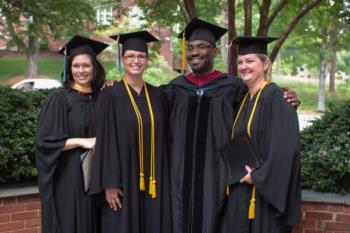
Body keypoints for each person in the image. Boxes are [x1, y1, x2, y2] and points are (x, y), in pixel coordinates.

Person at [164, 18, 300, 233]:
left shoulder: (234, 88)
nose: (194, 52)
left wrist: (290, 96)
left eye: (202, 47)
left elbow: (265, 105)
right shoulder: (174, 89)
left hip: (217, 178)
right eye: (190, 47)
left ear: (215, 52)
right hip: (180, 177)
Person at [90, 31, 172, 233]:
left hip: (156, 178)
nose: (136, 61)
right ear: (123, 59)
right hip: (123, 181)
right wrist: (109, 183)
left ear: (147, 60)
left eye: (141, 56)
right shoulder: (109, 95)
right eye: (130, 56)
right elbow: (105, 140)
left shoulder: (158, 95)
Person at [221, 37, 301, 233]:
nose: (243, 67)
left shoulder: (279, 99)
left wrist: (257, 177)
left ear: (265, 64)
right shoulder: (243, 101)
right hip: (240, 193)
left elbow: (286, 152)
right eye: (240, 62)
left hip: (264, 199)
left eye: (250, 61)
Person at [35, 35, 108, 233]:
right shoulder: (59, 99)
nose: (81, 71)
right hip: (70, 177)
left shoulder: (102, 98)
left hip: (98, 176)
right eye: (76, 66)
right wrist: (83, 141)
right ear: (70, 69)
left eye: (86, 65)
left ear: (94, 68)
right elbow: (45, 142)